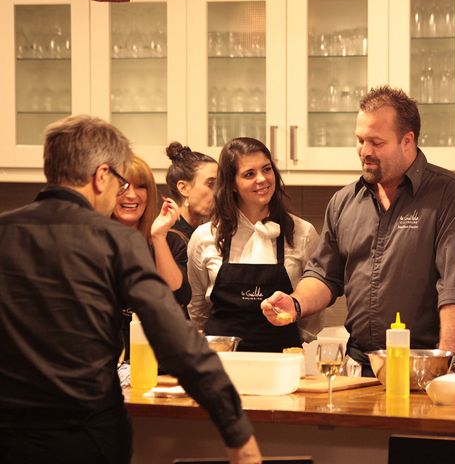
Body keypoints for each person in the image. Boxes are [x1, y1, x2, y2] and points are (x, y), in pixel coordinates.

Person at [0, 115, 260, 464]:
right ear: (101, 175)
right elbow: (174, 340)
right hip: (87, 436)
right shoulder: (115, 241)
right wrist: (237, 431)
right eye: (120, 181)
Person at [261, 85, 455, 375]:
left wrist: (444, 363)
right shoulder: (344, 201)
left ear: (407, 140)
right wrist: (296, 303)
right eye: (360, 140)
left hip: (422, 364)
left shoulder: (448, 195)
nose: (365, 151)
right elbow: (325, 275)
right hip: (359, 366)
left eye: (376, 142)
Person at [187, 137, 321, 352]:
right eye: (249, 174)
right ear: (231, 184)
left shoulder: (302, 233)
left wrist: (297, 346)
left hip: (282, 365)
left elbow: (311, 310)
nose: (262, 179)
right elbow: (198, 309)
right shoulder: (204, 237)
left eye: (267, 169)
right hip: (223, 364)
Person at [112, 155, 191, 312]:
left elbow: (177, 298)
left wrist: (158, 237)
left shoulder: (171, 241)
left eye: (141, 186)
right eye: (123, 186)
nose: (131, 195)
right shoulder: (92, 241)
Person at [165, 142, 219, 317]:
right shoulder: (168, 236)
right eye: (211, 184)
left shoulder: (208, 232)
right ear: (184, 188)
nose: (219, 192)